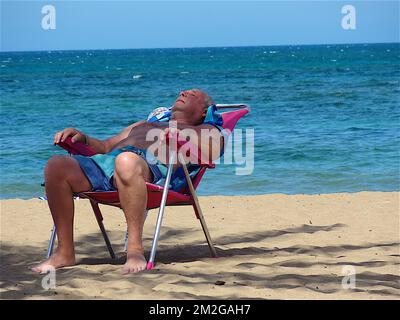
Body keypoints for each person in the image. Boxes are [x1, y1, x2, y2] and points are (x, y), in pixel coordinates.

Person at [32, 89, 224, 274]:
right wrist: (82, 137)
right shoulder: (143, 124)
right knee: (55, 165)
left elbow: (213, 149)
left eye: (192, 95)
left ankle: (134, 250)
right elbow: (106, 146)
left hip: (152, 170)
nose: (183, 93)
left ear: (204, 112)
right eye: (183, 92)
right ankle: (65, 253)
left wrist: (182, 139)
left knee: (126, 162)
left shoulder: (205, 129)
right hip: (108, 164)